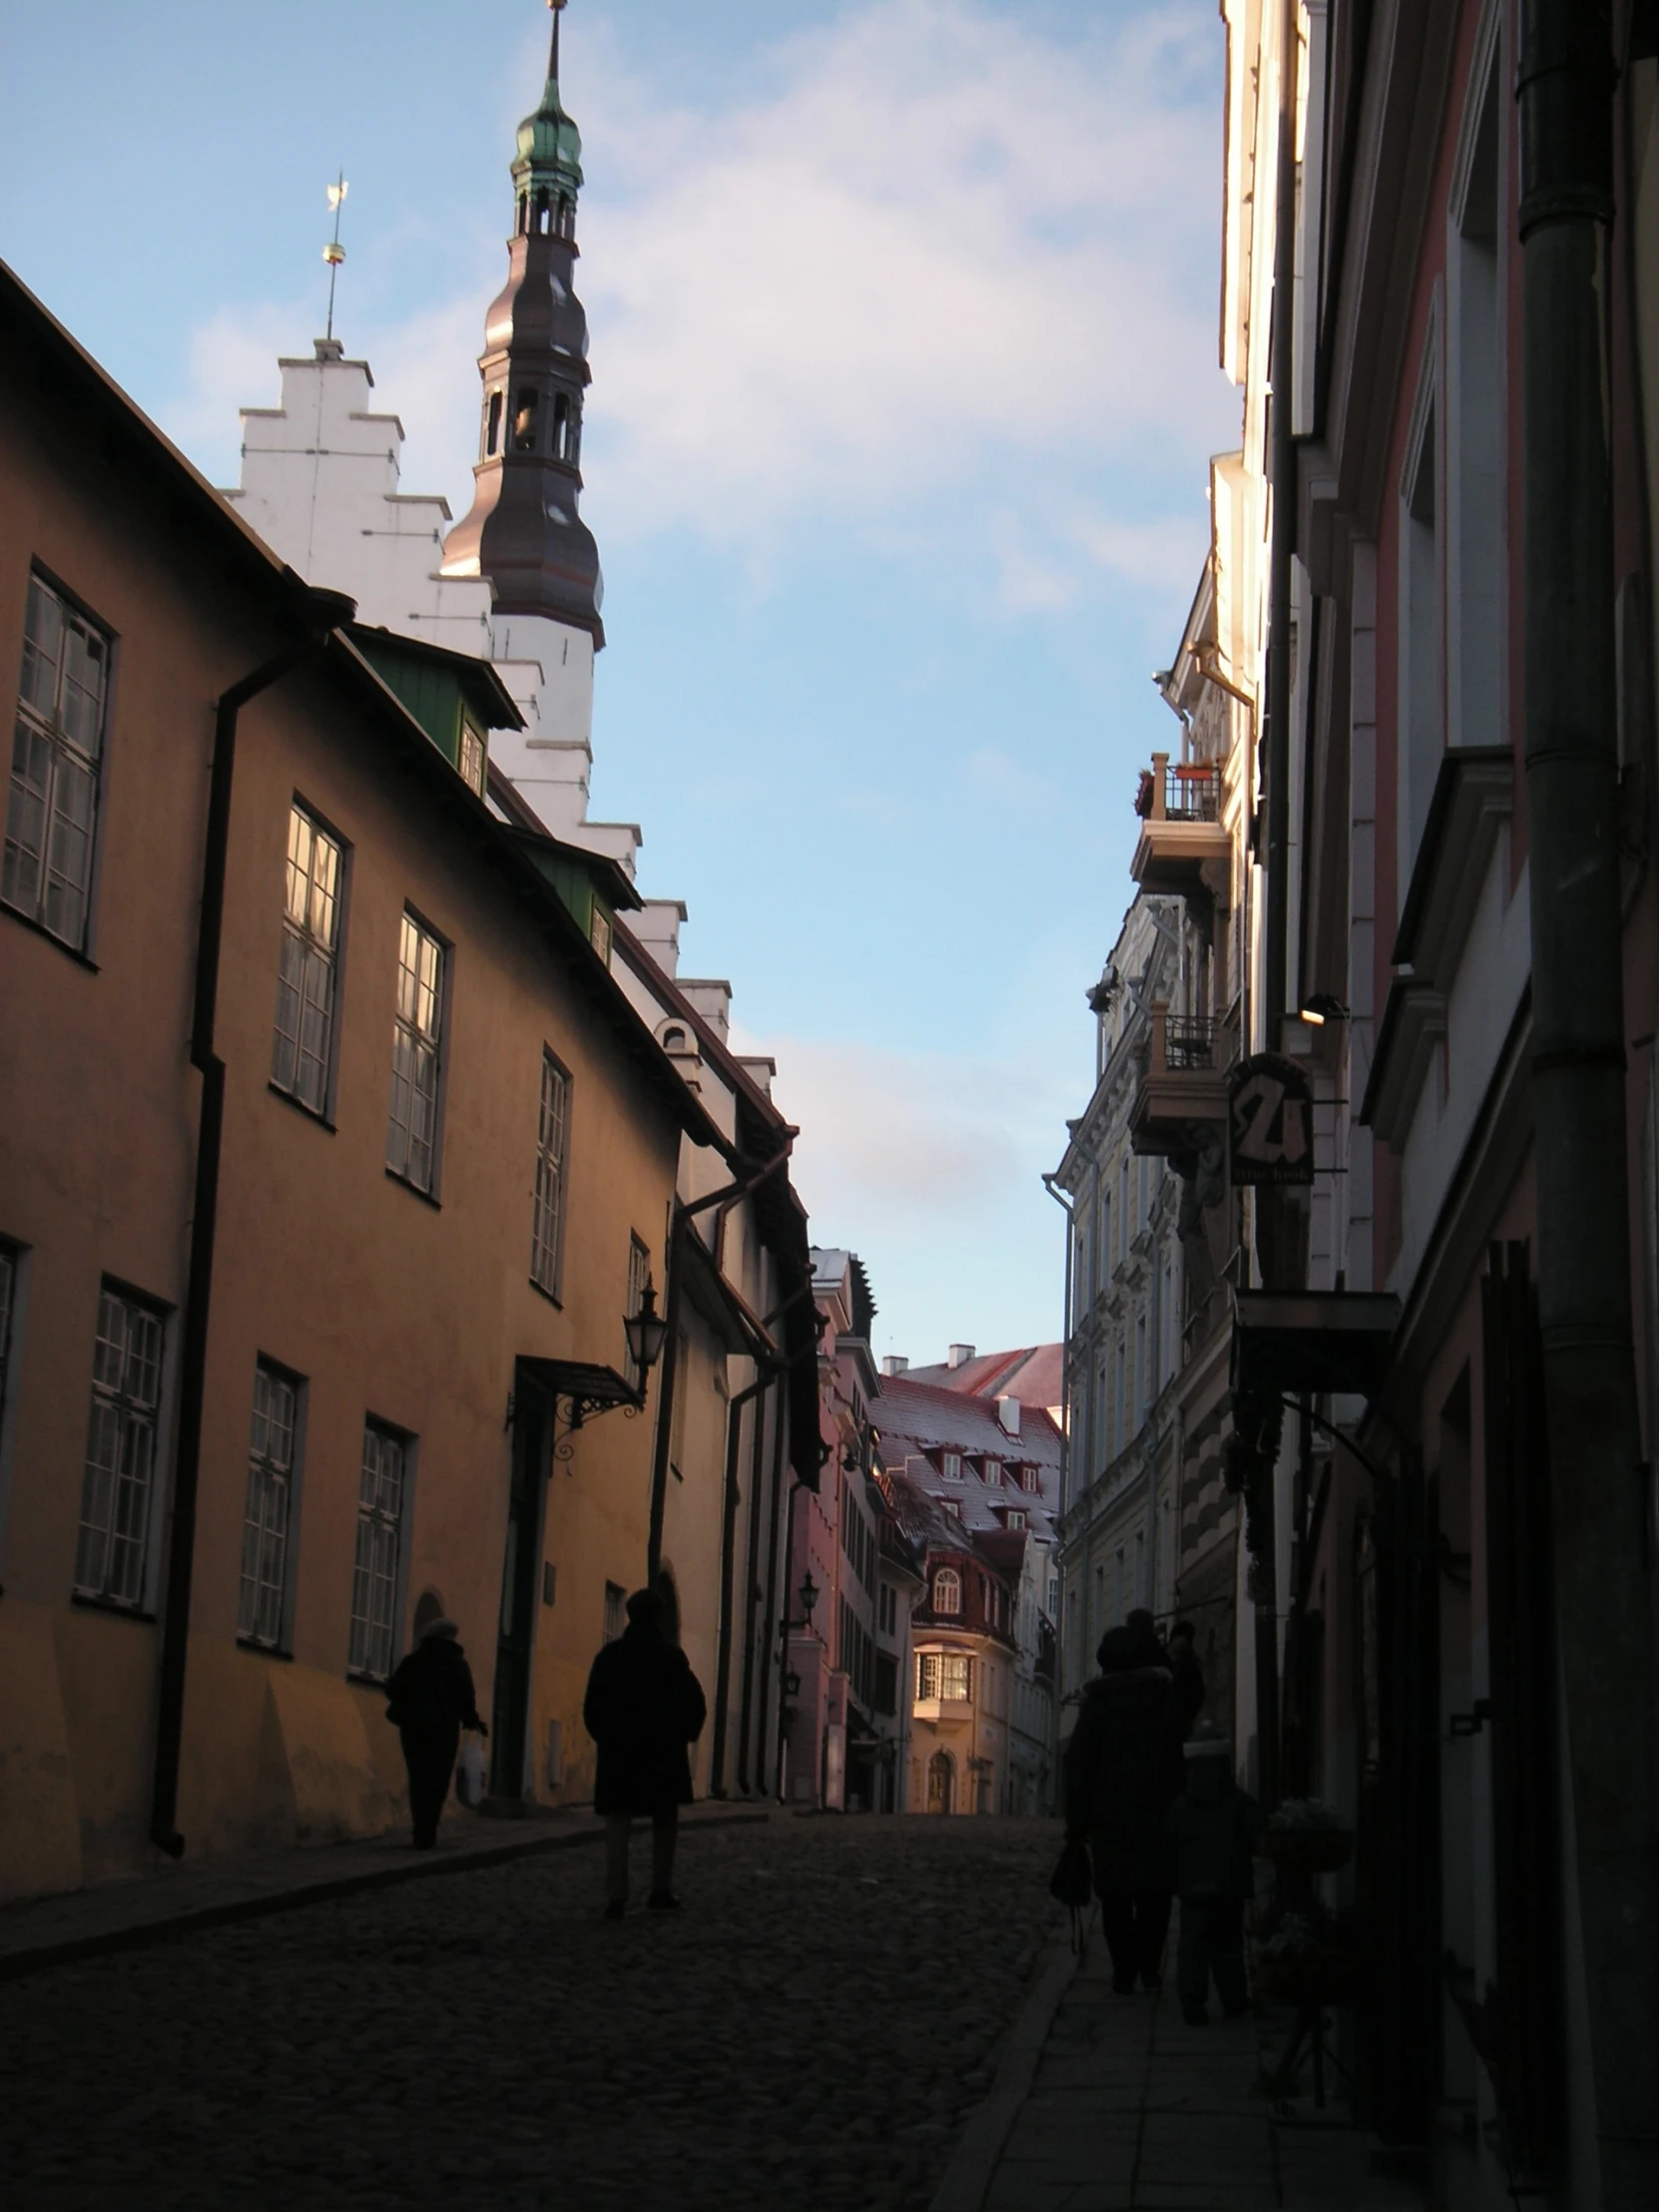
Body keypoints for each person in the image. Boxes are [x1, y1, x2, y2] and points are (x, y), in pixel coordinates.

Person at [1063, 1623, 1185, 1993]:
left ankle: (1123, 1969)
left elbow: (1079, 1764)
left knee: (1115, 1895)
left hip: (1109, 1818)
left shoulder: (1098, 1706)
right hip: (1157, 1814)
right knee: (1155, 1894)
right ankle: (1149, 1965)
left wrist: (1077, 1823)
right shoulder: (1165, 1700)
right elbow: (1179, 1757)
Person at [583, 1586, 708, 1921]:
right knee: (665, 1822)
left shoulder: (609, 1657)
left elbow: (592, 1707)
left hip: (619, 1754)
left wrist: (606, 1738)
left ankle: (616, 1897)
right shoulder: (671, 1658)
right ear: (657, 1617)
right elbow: (695, 1703)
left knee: (617, 1824)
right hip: (663, 1755)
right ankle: (660, 1889)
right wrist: (683, 1736)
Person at [1164, 1721, 1263, 2024]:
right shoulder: (1239, 1804)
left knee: (1193, 1946)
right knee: (1229, 1947)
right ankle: (1233, 1999)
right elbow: (1257, 1838)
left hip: (1193, 1889)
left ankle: (1193, 2003)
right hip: (1229, 1888)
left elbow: (1169, 1845)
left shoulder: (1180, 1807)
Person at [384, 1616, 486, 1849]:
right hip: (444, 1729)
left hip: (414, 1728)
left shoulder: (414, 1661)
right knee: (438, 1779)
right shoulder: (458, 1664)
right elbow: (467, 1698)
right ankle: (429, 1829)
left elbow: (393, 1689)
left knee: (419, 1777)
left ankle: (420, 1828)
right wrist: (470, 1720)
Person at [1167, 1617, 1207, 1736]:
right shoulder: (1161, 1659)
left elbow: (1197, 1693)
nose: (1182, 1641)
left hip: (1178, 1722)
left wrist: (1185, 1716)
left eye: (1186, 1638)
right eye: (1180, 1636)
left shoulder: (1188, 1665)